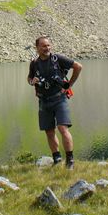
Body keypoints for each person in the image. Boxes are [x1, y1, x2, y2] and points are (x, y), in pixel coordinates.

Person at [28, 36, 82, 169]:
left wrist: (69, 85)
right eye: (43, 46)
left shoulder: (57, 59)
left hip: (59, 99)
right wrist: (32, 81)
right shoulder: (34, 63)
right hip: (43, 100)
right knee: (49, 131)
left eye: (48, 45)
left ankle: (70, 161)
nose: (47, 48)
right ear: (37, 48)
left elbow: (78, 66)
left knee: (63, 128)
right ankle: (57, 159)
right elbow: (29, 78)